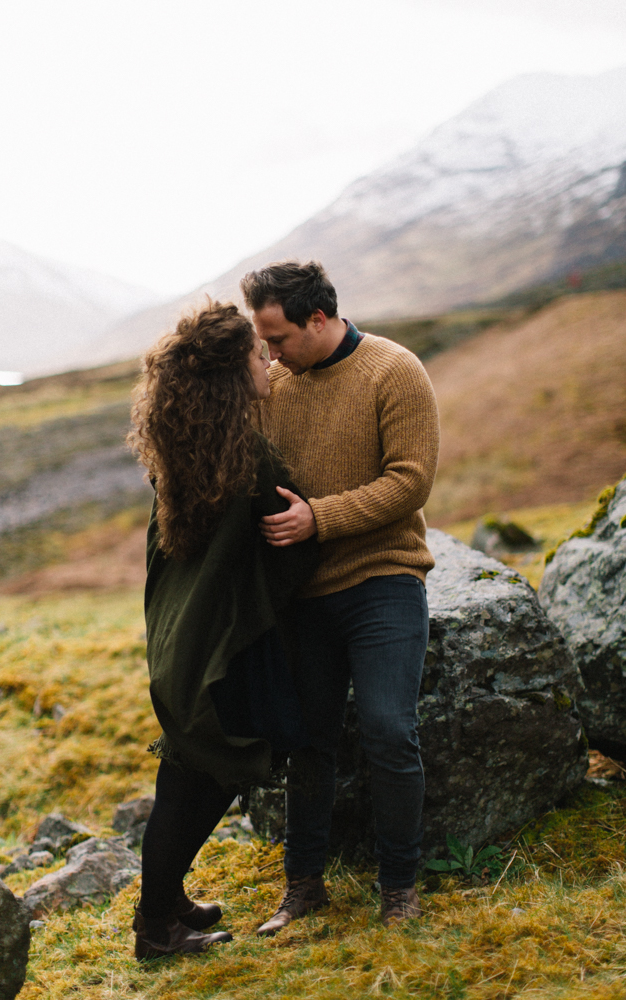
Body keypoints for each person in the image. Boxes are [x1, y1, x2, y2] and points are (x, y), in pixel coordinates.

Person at [240, 260, 440, 931]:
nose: (269, 354)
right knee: (307, 742)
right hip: (304, 597)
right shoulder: (276, 389)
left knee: (388, 729)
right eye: (262, 343)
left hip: (383, 579)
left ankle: (399, 889)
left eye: (278, 339)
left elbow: (409, 482)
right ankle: (303, 887)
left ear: (318, 319)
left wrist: (317, 518)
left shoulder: (394, 370)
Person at [128, 301, 318, 960]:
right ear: (231, 376)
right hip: (220, 648)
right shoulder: (249, 463)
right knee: (207, 774)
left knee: (186, 769)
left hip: (182, 641)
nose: (268, 362)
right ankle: (156, 928)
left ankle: (167, 898)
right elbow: (292, 549)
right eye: (255, 356)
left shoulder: (186, 451)